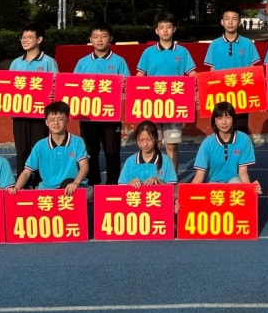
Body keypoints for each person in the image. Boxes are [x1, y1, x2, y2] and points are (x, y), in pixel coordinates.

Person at [136, 12, 197, 173]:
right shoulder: (148, 53)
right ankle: (152, 177)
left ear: (174, 29)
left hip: (175, 107)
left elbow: (192, 74)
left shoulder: (182, 52)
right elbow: (140, 76)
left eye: (168, 27)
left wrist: (198, 85)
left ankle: (172, 178)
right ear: (156, 30)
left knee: (172, 145)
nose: (165, 30)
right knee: (152, 144)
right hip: (153, 106)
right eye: (161, 27)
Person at [74, 22, 130, 186]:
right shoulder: (82, 63)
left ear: (110, 38)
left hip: (111, 116)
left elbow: (127, 86)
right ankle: (93, 184)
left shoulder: (119, 61)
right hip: (88, 116)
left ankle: (113, 184)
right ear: (90, 39)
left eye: (103, 36)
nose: (99, 40)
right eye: (96, 37)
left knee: (112, 151)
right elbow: (74, 87)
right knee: (90, 152)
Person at [9, 23, 58, 178]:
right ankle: (22, 183)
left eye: (29, 37)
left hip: (39, 114)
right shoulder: (16, 63)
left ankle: (39, 181)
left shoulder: (48, 62)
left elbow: (56, 86)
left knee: (39, 149)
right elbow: (9, 87)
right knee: (22, 150)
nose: (25, 40)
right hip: (19, 113)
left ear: (39, 39)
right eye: (23, 37)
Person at [204, 5, 261, 133]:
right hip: (220, 94)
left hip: (242, 95)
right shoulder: (214, 45)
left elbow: (252, 69)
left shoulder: (247, 44)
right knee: (222, 130)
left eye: (234, 19)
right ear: (222, 22)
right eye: (227, 19)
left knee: (240, 130)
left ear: (239, 22)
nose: (230, 22)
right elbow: (212, 70)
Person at [13, 101, 89, 196]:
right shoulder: (40, 146)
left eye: (60, 119)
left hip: (73, 188)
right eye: (52, 120)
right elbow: (27, 172)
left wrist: (76, 182)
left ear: (67, 120)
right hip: (48, 191)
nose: (56, 123)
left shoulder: (77, 142)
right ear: (46, 122)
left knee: (88, 193)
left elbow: (84, 165)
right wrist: (16, 189)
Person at [193, 101, 260, 191]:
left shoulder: (244, 139)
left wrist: (250, 189)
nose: (224, 122)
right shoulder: (207, 143)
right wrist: (186, 195)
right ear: (215, 121)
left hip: (235, 182)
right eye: (219, 118)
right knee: (213, 187)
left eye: (228, 117)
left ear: (233, 119)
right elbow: (199, 176)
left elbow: (243, 172)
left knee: (235, 183)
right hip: (215, 183)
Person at [118, 120, 177, 187]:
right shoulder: (130, 161)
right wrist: (130, 184)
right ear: (136, 140)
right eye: (141, 140)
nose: (145, 144)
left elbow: (173, 188)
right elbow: (121, 187)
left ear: (156, 139)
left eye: (149, 139)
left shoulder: (166, 161)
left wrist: (159, 182)